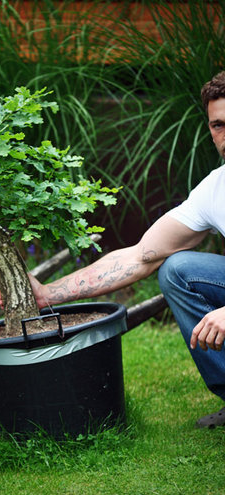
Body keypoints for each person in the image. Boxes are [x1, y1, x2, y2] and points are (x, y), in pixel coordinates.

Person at [28, 71, 225, 429]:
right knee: (176, 269)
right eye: (218, 125)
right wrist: (45, 295)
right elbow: (139, 256)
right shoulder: (215, 189)